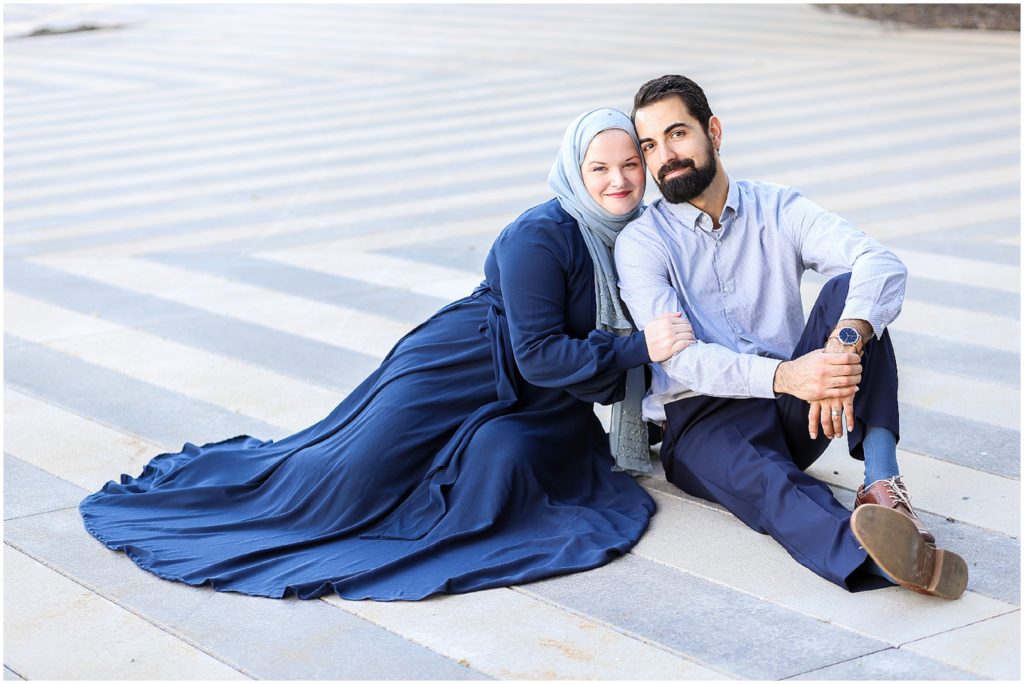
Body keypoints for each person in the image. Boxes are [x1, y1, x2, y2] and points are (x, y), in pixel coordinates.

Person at [79, 108, 695, 601]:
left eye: (629, 165)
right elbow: (536, 352)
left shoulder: (632, 235)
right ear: (573, 172)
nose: (618, 181)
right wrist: (639, 347)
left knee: (504, 471)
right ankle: (234, 500)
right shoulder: (539, 234)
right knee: (349, 481)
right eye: (598, 169)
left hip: (535, 402)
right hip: (459, 368)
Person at [614, 75, 968, 599]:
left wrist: (844, 343)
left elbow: (880, 263)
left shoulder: (777, 208)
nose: (666, 155)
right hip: (703, 422)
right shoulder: (643, 244)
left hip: (798, 404)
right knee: (775, 486)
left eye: (677, 133)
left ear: (713, 131)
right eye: (650, 145)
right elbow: (683, 361)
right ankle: (881, 557)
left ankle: (881, 487)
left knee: (855, 296)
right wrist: (787, 374)